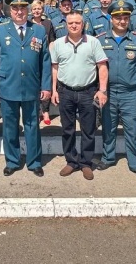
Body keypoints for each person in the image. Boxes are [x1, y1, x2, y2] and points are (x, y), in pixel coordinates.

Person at [0, 0, 52, 177]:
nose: (19, 11)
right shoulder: (0, 30)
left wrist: (46, 86)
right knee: (10, 126)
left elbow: (45, 61)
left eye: (23, 8)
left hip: (31, 86)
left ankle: (34, 162)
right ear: (10, 10)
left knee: (32, 125)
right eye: (15, 8)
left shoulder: (38, 30)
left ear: (28, 9)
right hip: (8, 86)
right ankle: (12, 161)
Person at [96, 1, 136, 179]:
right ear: (111, 19)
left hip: (131, 92)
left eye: (125, 17)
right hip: (109, 92)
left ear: (129, 19)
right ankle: (108, 157)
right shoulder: (100, 39)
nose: (122, 21)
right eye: (118, 17)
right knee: (108, 127)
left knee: (132, 128)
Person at [50, 12, 108, 180]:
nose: (74, 26)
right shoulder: (59, 44)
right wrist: (54, 90)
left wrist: (102, 90)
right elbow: (55, 68)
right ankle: (71, 161)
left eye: (77, 23)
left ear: (83, 24)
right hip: (65, 91)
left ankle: (85, 163)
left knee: (88, 130)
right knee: (67, 129)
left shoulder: (93, 42)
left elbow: (102, 67)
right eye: (70, 23)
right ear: (66, 25)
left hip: (88, 92)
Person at [30, 0, 56, 125]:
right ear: (31, 10)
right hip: (33, 58)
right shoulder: (28, 24)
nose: (36, 11)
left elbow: (51, 40)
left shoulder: (48, 23)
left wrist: (49, 55)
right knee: (34, 84)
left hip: (45, 57)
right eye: (34, 8)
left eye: (39, 8)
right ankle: (36, 111)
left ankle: (45, 112)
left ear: (43, 10)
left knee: (46, 84)